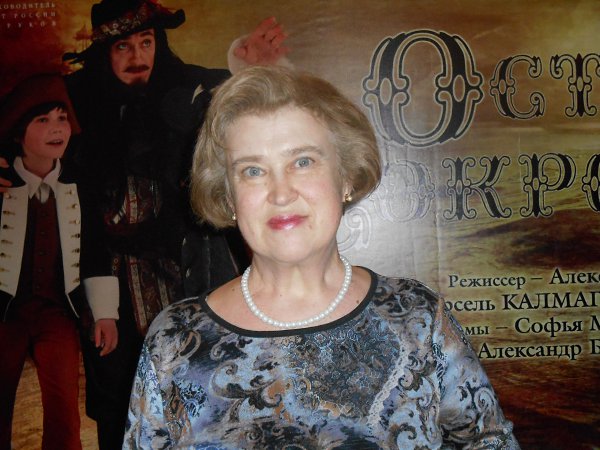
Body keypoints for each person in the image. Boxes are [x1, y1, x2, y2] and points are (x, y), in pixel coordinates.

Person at [123, 66, 520, 449]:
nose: (281, 193)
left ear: (345, 176)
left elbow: (490, 442)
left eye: (303, 162)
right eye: (253, 171)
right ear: (229, 198)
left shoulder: (417, 317)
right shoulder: (175, 341)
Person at [56, 1, 289, 448]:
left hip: (191, 266)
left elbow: (235, 96)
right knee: (121, 402)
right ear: (105, 53)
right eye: (123, 47)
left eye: (146, 43)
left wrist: (246, 68)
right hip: (115, 278)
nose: (137, 56)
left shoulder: (187, 88)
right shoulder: (78, 102)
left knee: (208, 389)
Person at [0, 73, 119, 450]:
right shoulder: (1, 183)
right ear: (18, 134)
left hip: (57, 313)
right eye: (42, 120)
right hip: (4, 315)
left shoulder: (78, 185)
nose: (56, 128)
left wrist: (105, 314)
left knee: (65, 412)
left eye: (62, 118)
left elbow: (95, 252)